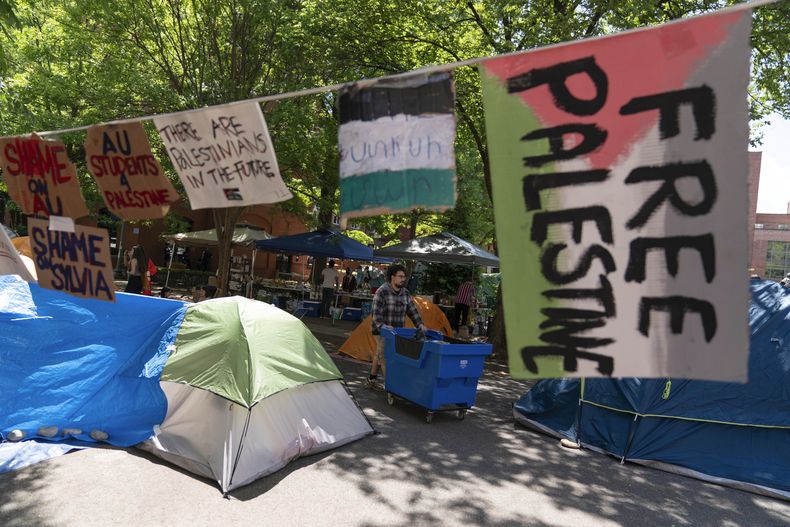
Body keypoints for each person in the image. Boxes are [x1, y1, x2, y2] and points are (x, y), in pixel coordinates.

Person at [366, 264, 428, 391]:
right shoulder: (382, 291)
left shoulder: (405, 293)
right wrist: (384, 326)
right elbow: (376, 315)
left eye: (404, 277)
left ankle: (371, 379)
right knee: (385, 357)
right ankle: (392, 389)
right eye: (400, 276)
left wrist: (420, 324)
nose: (403, 279)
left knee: (379, 353)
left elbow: (412, 311)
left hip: (398, 331)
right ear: (392, 277)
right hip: (381, 331)